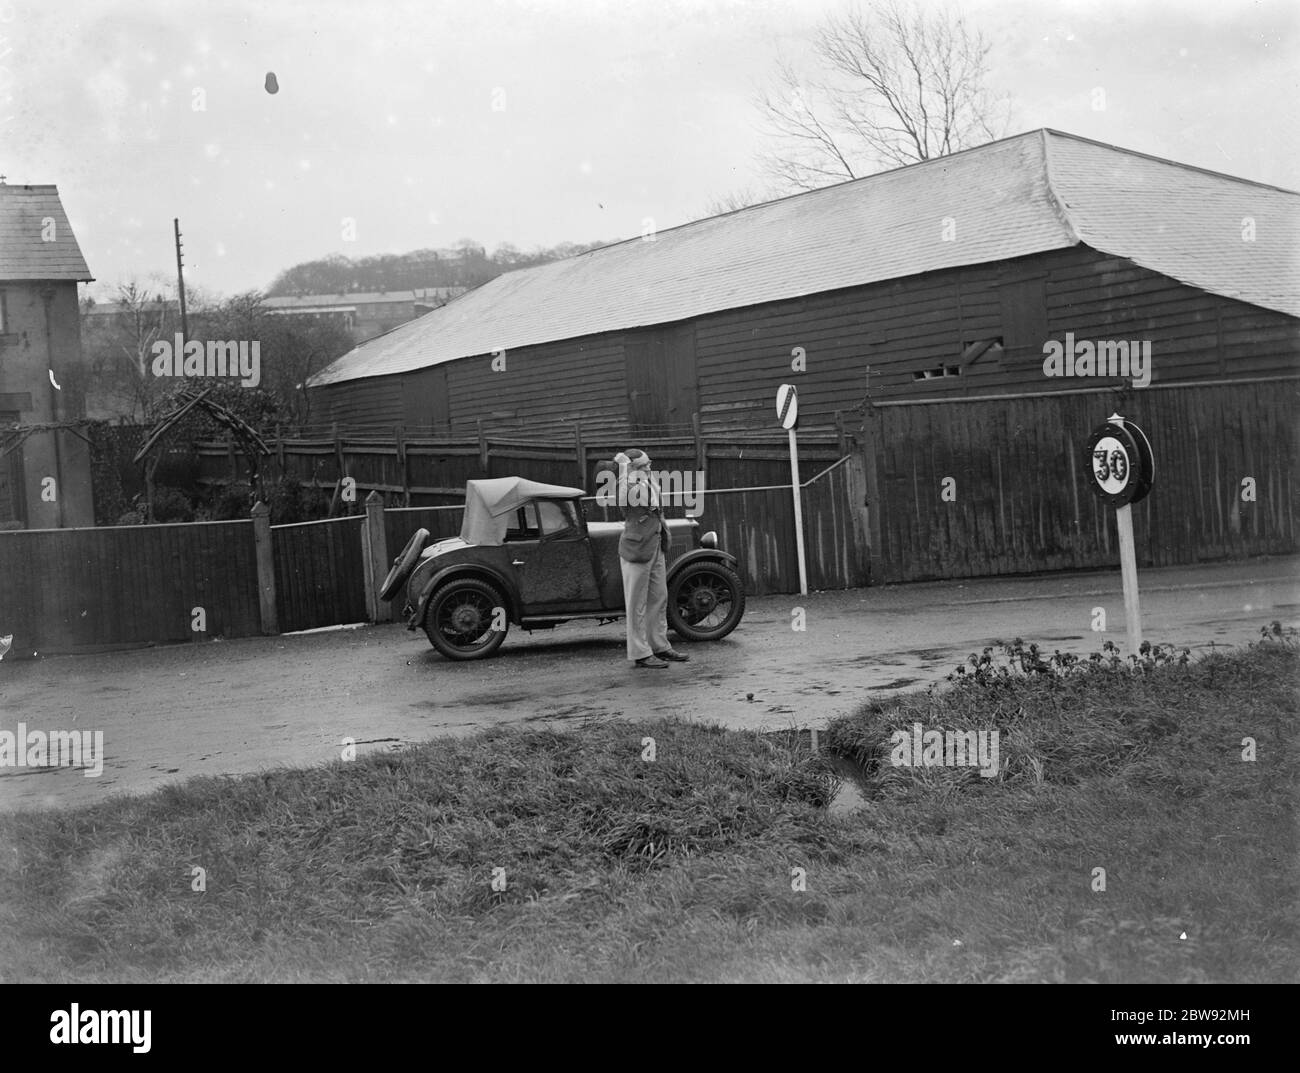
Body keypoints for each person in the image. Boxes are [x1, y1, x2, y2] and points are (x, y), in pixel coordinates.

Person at [612, 449, 689, 669]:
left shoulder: (648, 481)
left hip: (655, 544)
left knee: (659, 597)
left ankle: (659, 646)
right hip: (637, 548)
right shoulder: (626, 484)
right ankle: (640, 653)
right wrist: (624, 467)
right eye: (644, 465)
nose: (648, 467)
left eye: (649, 463)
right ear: (633, 468)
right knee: (637, 603)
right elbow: (623, 501)